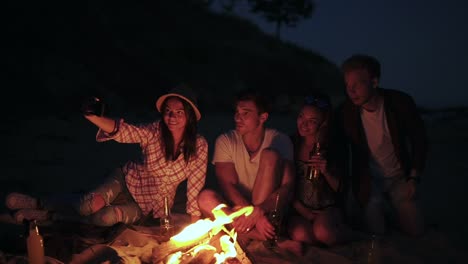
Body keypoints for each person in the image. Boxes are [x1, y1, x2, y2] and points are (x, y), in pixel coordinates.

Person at [5, 85, 208, 226]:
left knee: (103, 218)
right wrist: (93, 117)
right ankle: (38, 203)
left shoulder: (199, 146)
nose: (172, 116)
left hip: (147, 205)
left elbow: (194, 189)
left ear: (189, 116)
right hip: (125, 180)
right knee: (87, 206)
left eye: (179, 112)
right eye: (168, 111)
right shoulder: (153, 132)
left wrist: (195, 227)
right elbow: (125, 131)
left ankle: (49, 216)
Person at [336, 54, 427, 236]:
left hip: (399, 177)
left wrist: (414, 177)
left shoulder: (399, 102)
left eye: (357, 84)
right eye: (347, 85)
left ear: (374, 82)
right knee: (377, 233)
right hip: (368, 180)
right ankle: (377, 211)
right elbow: (336, 147)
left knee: (416, 231)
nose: (351, 91)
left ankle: (395, 210)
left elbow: (420, 140)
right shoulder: (345, 112)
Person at [197, 89, 295, 242]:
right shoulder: (226, 140)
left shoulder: (280, 140)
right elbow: (227, 185)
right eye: (237, 112)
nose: (237, 118)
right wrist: (252, 215)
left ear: (262, 117)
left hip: (267, 210)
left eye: (245, 113)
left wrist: (260, 211)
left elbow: (287, 186)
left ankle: (239, 231)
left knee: (270, 154)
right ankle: (264, 236)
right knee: (205, 198)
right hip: (239, 209)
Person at [287, 94, 363, 246]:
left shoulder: (333, 147)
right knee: (302, 236)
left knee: (323, 233)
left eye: (312, 121)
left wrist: (326, 171)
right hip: (299, 207)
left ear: (323, 123)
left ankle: (355, 235)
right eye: (301, 117)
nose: (303, 124)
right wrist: (303, 211)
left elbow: (341, 189)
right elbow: (285, 184)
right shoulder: (291, 144)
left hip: (326, 208)